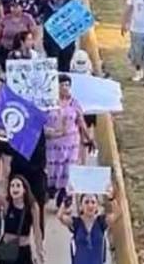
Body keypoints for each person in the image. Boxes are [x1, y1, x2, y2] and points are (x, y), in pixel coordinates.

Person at [44, 75, 89, 208]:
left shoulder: (74, 103)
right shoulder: (49, 102)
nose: (65, 88)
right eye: (62, 85)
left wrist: (89, 138)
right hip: (53, 143)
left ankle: (64, 195)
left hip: (71, 142)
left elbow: (81, 121)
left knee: (69, 170)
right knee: (53, 170)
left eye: (67, 85)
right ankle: (52, 188)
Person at [57, 190, 120, 264]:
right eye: (86, 202)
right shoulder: (76, 223)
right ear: (81, 206)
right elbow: (60, 216)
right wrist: (66, 201)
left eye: (93, 202)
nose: (90, 205)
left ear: (97, 206)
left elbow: (117, 214)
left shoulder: (101, 222)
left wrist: (111, 199)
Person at [0, 175, 44, 264]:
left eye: (18, 185)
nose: (15, 188)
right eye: (12, 185)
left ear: (24, 190)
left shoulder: (32, 207)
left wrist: (39, 250)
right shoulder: (7, 204)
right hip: (7, 249)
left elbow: (37, 230)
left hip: (23, 249)